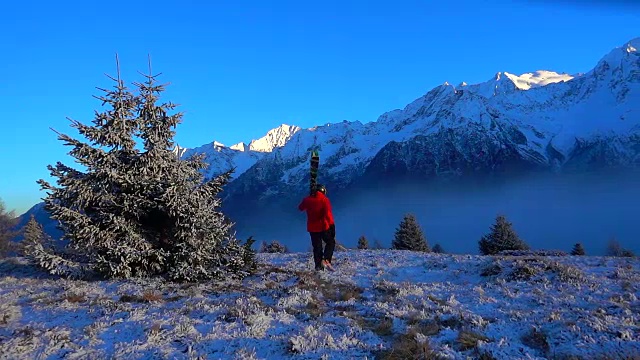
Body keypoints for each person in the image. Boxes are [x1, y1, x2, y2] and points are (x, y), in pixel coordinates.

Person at [298, 184, 336, 271]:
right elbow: (328, 215)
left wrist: (308, 200)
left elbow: (300, 208)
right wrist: (332, 226)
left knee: (317, 247)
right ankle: (326, 259)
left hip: (312, 228)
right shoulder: (324, 200)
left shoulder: (307, 200)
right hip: (323, 226)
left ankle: (318, 266)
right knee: (330, 242)